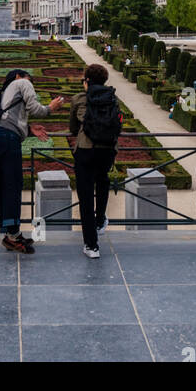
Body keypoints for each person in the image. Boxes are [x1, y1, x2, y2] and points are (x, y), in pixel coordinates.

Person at [0, 68, 65, 253]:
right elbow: (34, 108)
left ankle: (10, 232)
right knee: (13, 185)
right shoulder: (22, 82)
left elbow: (14, 115)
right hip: (8, 139)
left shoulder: (5, 91)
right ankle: (13, 236)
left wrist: (29, 128)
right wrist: (50, 108)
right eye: (30, 79)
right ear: (18, 76)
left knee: (4, 185)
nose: (32, 83)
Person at [67, 62, 120, 258]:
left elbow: (73, 128)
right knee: (103, 181)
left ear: (87, 80)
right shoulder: (113, 99)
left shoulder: (79, 99)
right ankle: (100, 221)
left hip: (86, 150)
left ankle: (92, 245)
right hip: (108, 150)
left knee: (86, 198)